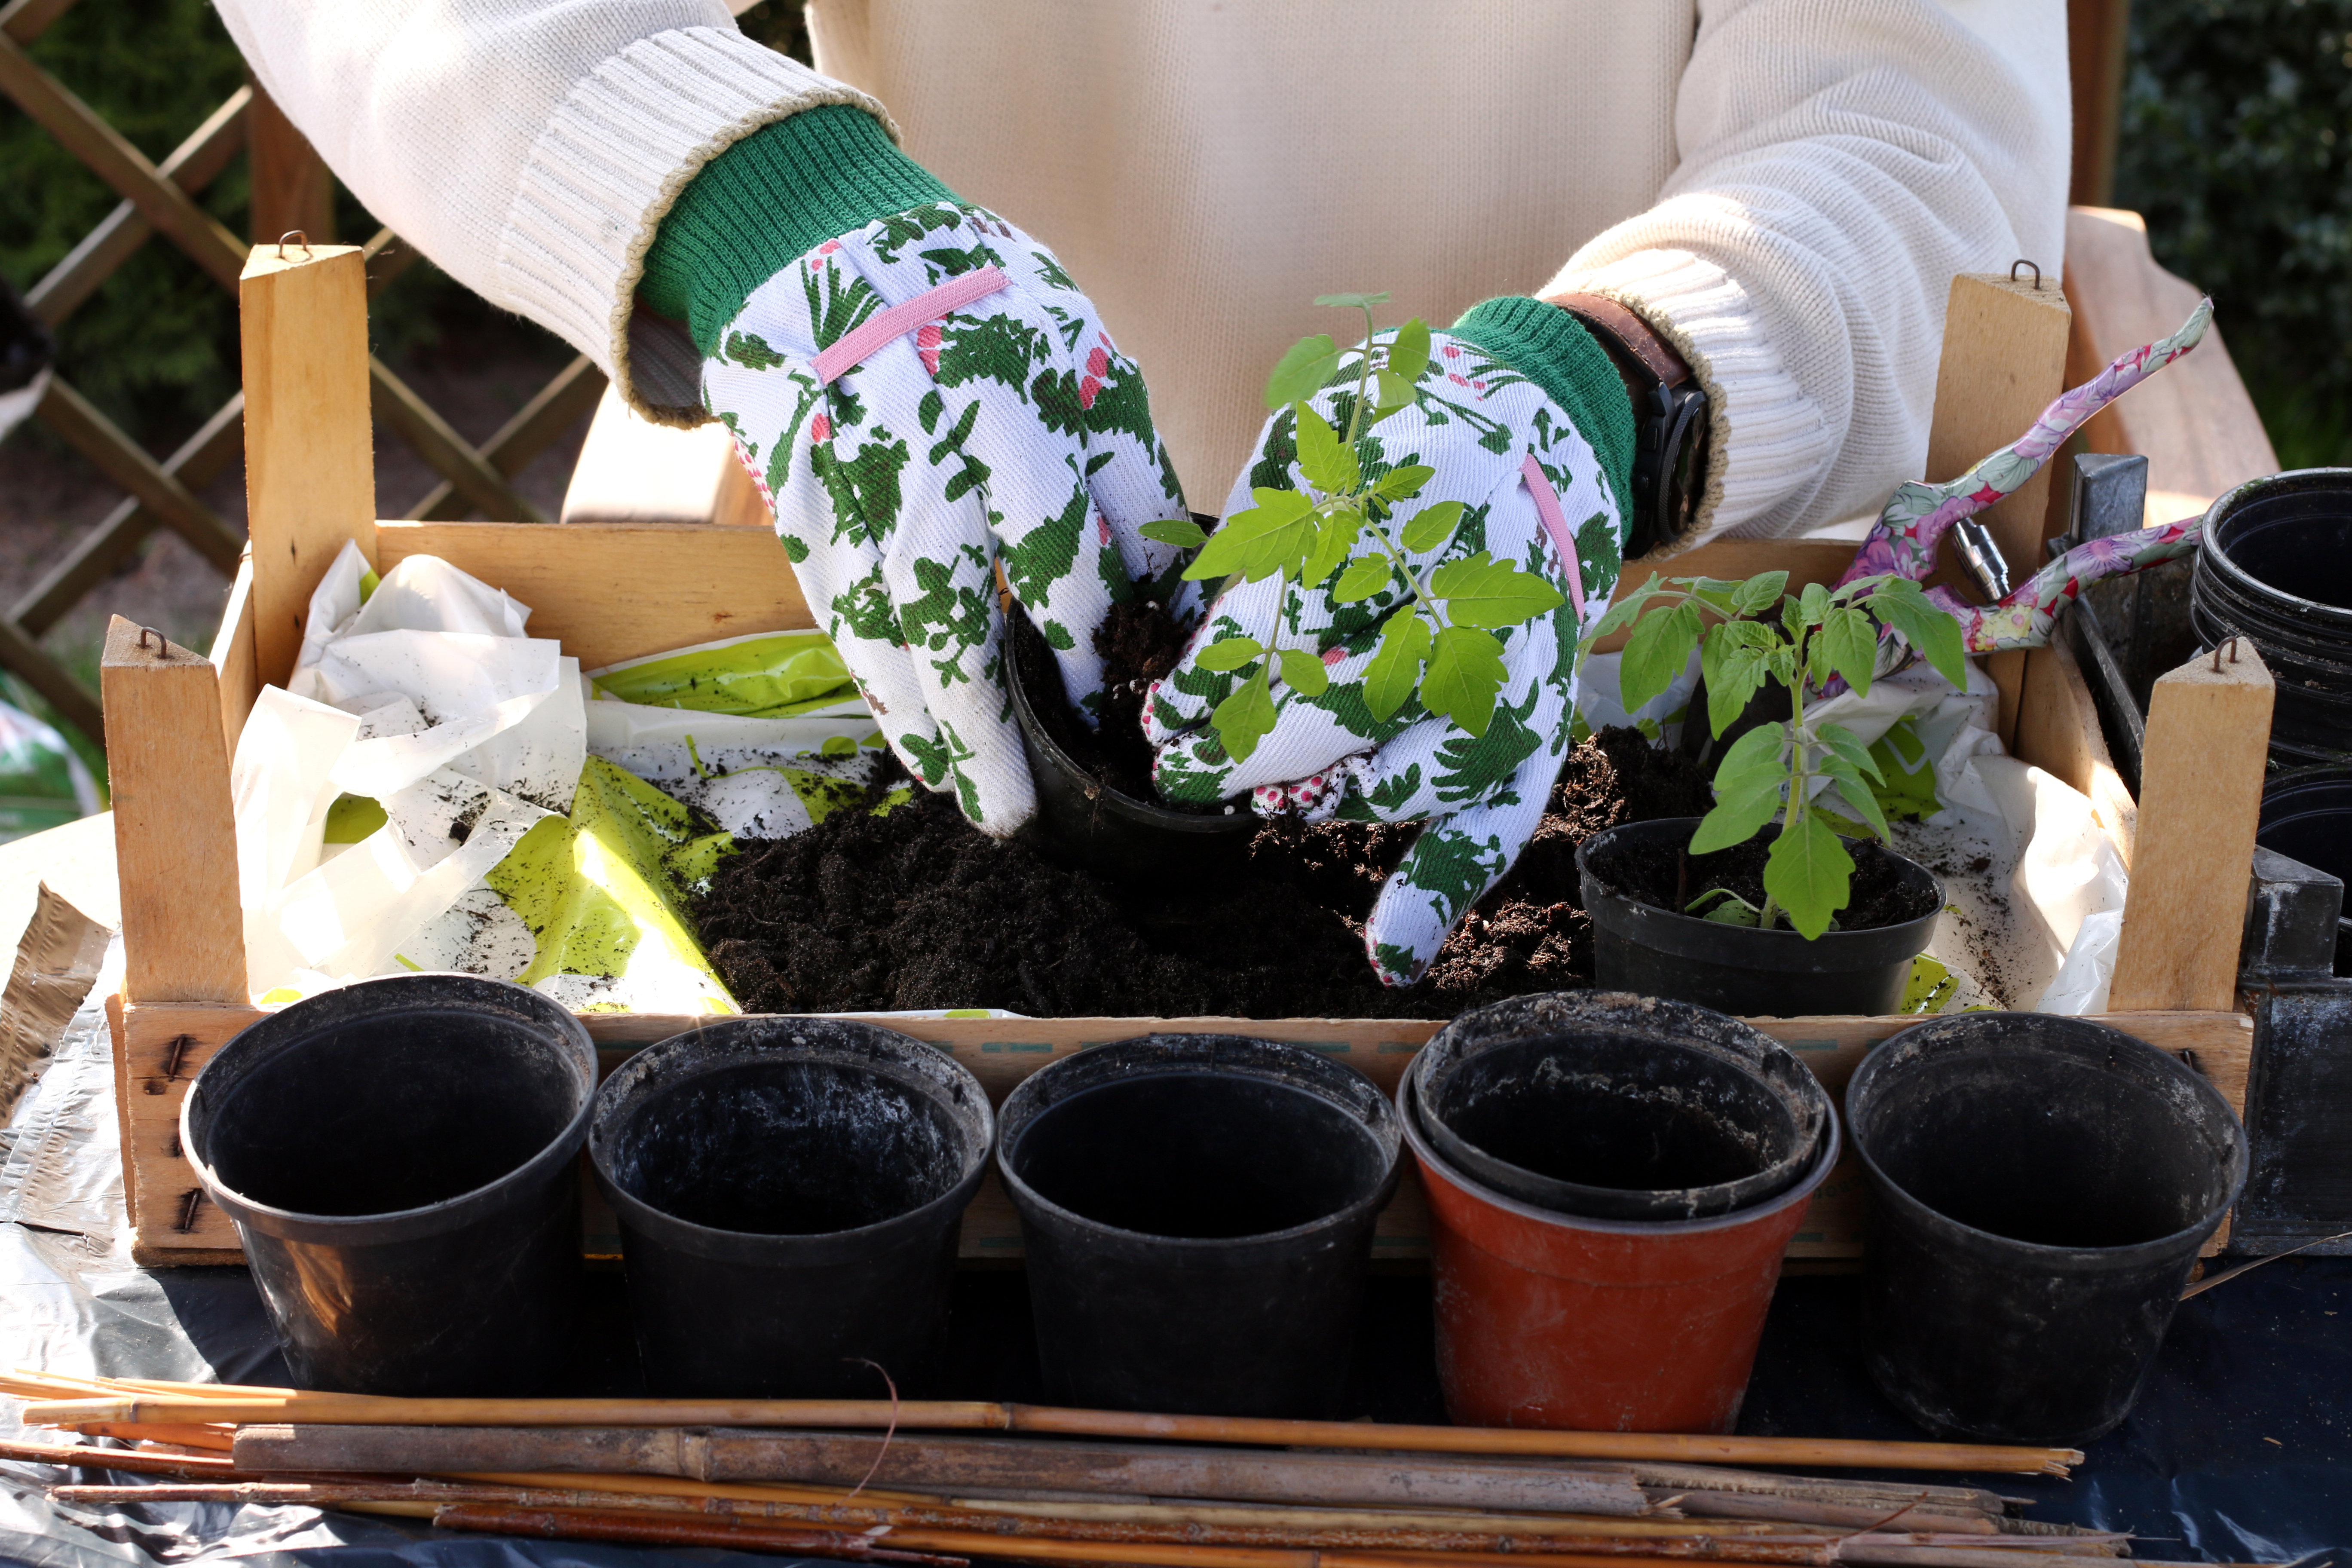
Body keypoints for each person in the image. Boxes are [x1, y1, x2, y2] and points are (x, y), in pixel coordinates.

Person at [214, 0, 2069, 984]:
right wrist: (748, 204)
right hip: (906, 511)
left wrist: (1624, 382)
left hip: (1612, 588)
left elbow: (1916, 124)